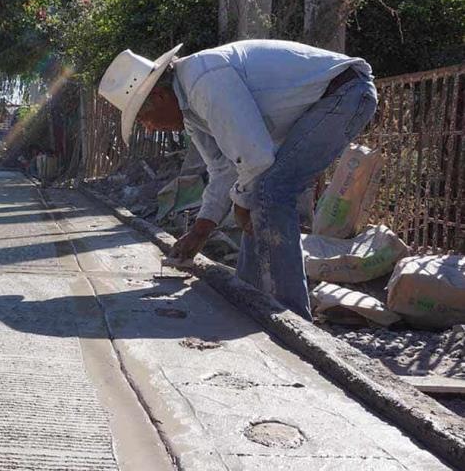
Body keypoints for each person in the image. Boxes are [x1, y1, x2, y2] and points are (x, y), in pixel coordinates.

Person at [98, 39, 378, 320]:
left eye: (144, 118)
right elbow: (224, 169)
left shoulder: (205, 83)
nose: (148, 127)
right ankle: (249, 295)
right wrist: (201, 230)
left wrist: (240, 205)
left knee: (272, 190)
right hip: (332, 99)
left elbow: (256, 160)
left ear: (159, 96)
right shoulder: (191, 109)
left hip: (345, 93)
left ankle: (290, 317)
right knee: (261, 191)